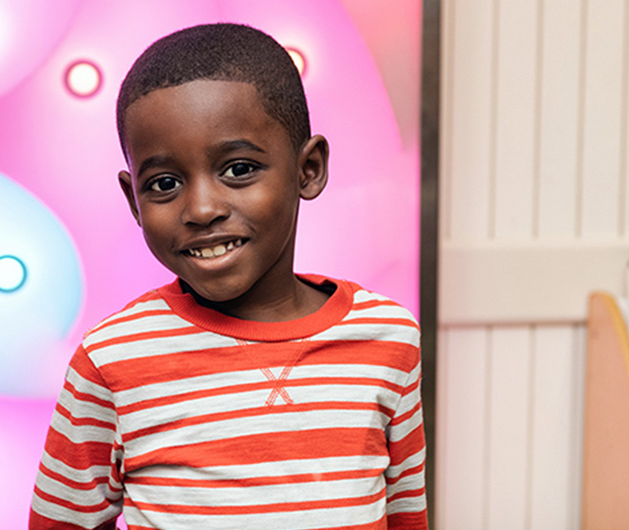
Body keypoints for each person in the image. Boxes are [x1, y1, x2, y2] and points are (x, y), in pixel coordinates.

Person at [30, 22, 427, 530]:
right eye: (166, 183)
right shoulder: (112, 361)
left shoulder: (387, 339)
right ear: (134, 200)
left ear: (308, 169)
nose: (201, 208)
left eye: (238, 169)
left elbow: (407, 519)